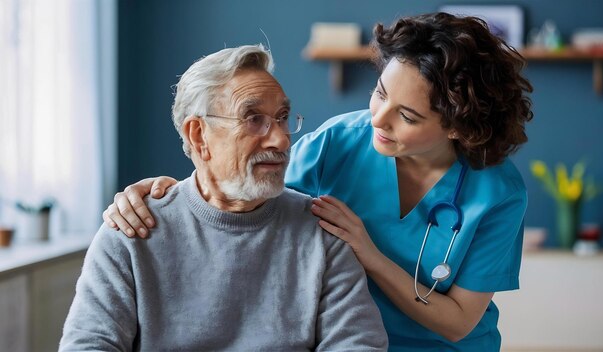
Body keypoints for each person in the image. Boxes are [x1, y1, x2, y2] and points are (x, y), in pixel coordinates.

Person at [104, 12, 533, 351]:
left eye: (407, 115)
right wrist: (167, 192)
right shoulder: (339, 142)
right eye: (381, 93)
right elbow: (240, 181)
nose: (377, 120)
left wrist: (370, 254)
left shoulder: (497, 192)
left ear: (458, 127)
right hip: (334, 337)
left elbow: (458, 322)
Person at [60, 45, 388, 351]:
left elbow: (358, 345)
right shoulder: (131, 233)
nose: (280, 139)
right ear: (198, 135)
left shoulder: (323, 233)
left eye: (283, 117)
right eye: (253, 119)